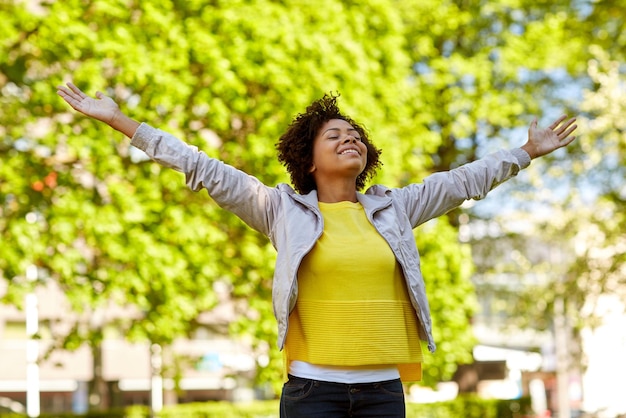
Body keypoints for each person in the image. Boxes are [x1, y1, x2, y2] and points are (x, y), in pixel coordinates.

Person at [57, 82, 577, 418]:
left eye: (355, 136)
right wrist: (121, 121)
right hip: (313, 395)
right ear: (309, 159)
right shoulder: (279, 211)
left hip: (383, 393)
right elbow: (202, 167)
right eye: (336, 135)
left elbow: (465, 181)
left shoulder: (397, 208)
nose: (350, 139)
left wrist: (526, 152)